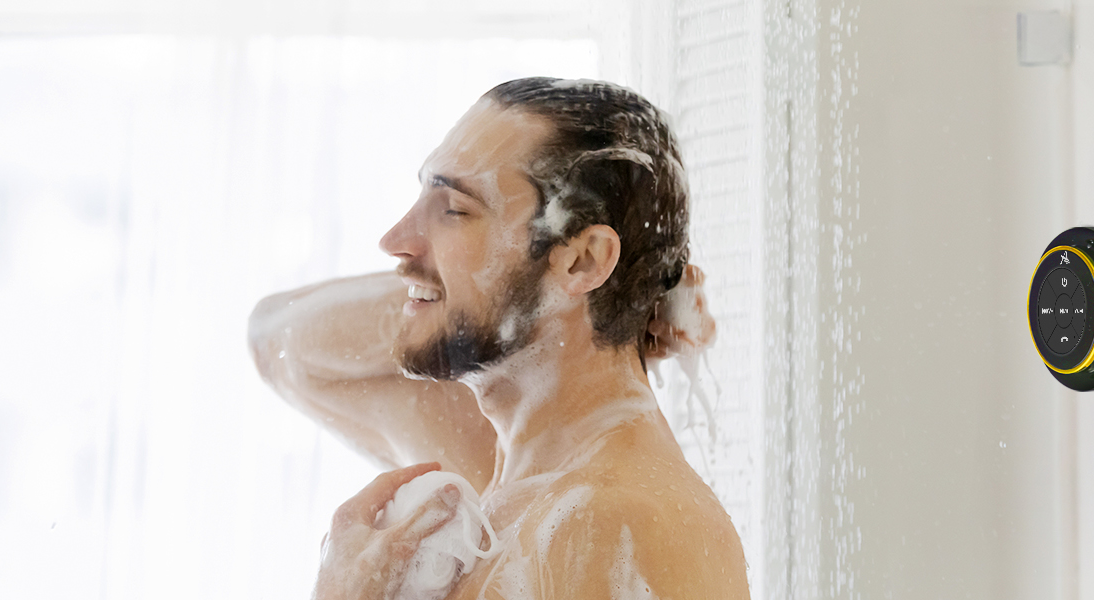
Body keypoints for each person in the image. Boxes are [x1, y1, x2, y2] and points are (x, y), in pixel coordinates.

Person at [248, 77, 744, 599]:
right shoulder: (512, 472)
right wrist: (632, 290)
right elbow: (278, 341)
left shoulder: (619, 523)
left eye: (454, 210)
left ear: (583, 259)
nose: (394, 240)